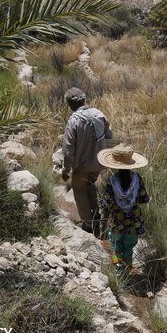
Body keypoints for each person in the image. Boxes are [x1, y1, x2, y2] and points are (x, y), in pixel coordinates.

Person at [61, 87, 113, 234]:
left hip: (82, 166)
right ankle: (96, 216)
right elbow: (109, 135)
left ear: (70, 105)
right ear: (84, 100)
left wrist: (66, 170)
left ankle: (89, 225)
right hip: (98, 164)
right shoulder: (98, 114)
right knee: (90, 186)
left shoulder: (74, 121)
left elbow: (68, 149)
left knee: (79, 190)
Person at [97, 144, 150, 272]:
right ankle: (128, 269)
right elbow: (144, 199)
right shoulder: (137, 179)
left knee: (115, 245)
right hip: (133, 221)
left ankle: (117, 267)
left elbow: (107, 203)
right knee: (129, 246)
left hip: (116, 221)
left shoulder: (112, 181)